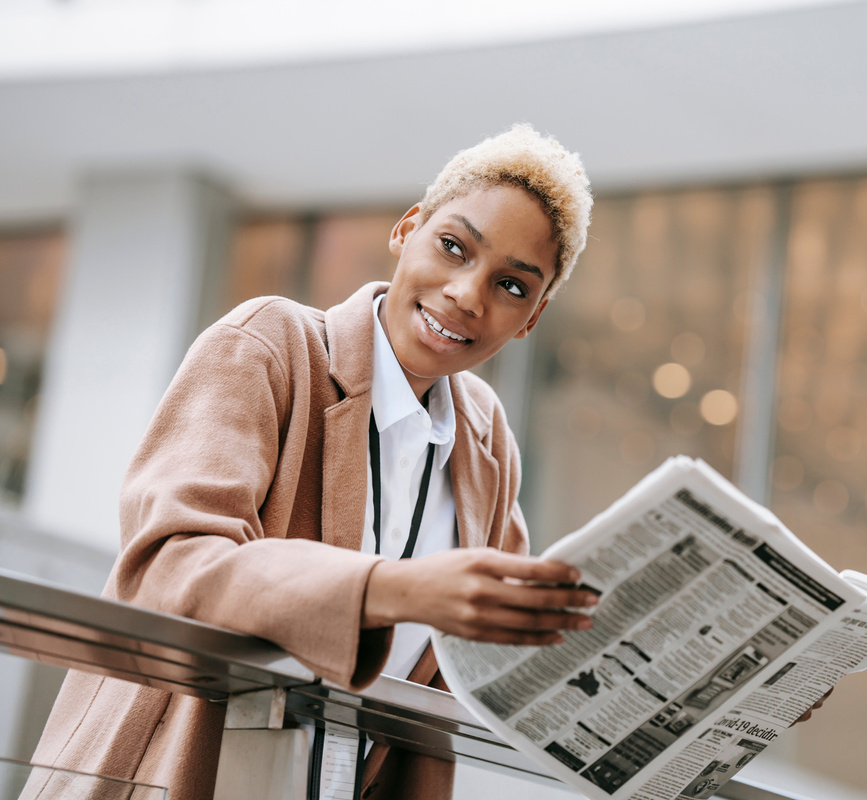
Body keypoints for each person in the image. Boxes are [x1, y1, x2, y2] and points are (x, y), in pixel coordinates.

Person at [29, 124, 599, 800]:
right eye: (453, 247)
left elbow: (481, 666)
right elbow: (169, 562)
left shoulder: (484, 440)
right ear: (405, 230)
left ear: (529, 320)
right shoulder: (271, 344)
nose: (468, 295)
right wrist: (396, 588)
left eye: (511, 286)